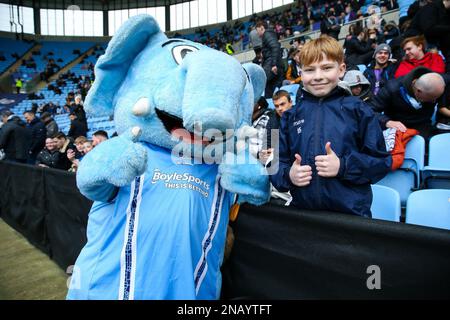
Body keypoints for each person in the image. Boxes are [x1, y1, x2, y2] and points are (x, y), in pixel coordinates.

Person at [270, 36, 391, 217]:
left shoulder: (359, 109)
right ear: (301, 74)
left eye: (326, 68)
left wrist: (343, 166)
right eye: (310, 70)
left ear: (341, 69)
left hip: (351, 218)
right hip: (303, 217)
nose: (318, 76)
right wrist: (289, 175)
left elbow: (382, 162)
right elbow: (274, 165)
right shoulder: (287, 116)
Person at [370, 66, 446, 139]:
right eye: (431, 99)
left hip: (423, 127)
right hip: (396, 128)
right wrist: (387, 122)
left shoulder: (437, 86)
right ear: (418, 91)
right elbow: (370, 110)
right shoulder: (392, 89)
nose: (434, 101)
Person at [256, 21, 284, 98]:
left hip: (272, 66)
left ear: (262, 28)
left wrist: (274, 64)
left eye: (257, 30)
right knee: (270, 90)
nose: (257, 33)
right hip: (273, 65)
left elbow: (275, 47)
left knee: (268, 89)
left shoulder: (267, 34)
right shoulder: (269, 34)